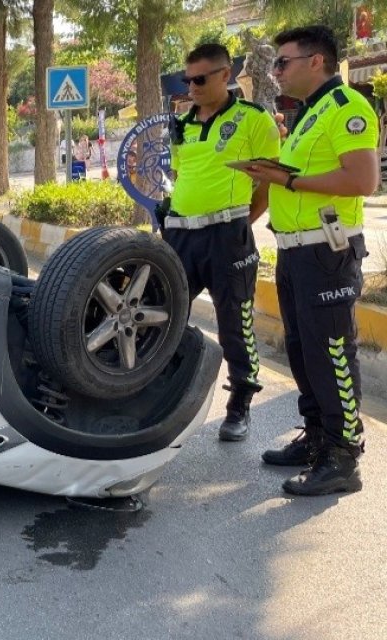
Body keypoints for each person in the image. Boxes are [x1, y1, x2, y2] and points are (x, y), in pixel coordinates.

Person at [241, 25, 377, 496]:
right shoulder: (306, 115)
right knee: (302, 347)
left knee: (332, 351)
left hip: (327, 250)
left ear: (315, 61)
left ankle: (343, 457)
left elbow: (362, 179)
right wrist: (276, 174)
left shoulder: (346, 108)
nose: (275, 71)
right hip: (296, 249)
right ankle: (318, 437)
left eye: (283, 62)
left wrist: (290, 181)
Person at [165, 43, 280, 442]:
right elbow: (182, 177)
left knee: (235, 321)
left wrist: (239, 223)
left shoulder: (253, 119)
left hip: (227, 236)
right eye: (187, 80)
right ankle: (157, 395)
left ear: (225, 74)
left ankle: (239, 405)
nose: (192, 87)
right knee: (163, 313)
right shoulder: (180, 123)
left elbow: (267, 181)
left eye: (200, 79)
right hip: (179, 234)